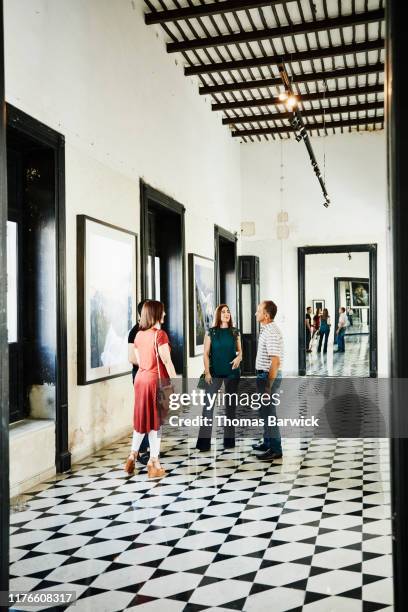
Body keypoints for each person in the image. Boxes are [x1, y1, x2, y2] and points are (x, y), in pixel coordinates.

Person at [124, 300, 177, 478]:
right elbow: (167, 361)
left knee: (142, 420)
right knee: (156, 423)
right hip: (156, 382)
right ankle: (153, 463)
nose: (165, 314)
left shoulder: (139, 335)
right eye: (162, 311)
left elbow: (139, 361)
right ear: (155, 314)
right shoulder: (159, 335)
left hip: (141, 379)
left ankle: (132, 455)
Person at [196, 304, 242, 451]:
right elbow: (205, 353)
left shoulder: (235, 332)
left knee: (230, 408)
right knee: (208, 407)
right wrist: (207, 372)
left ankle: (229, 442)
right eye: (223, 312)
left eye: (228, 311)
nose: (226, 314)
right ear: (218, 315)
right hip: (214, 373)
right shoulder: (211, 332)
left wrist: (239, 358)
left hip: (232, 373)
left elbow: (240, 351)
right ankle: (203, 443)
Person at [252, 300, 284, 462]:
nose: (255, 313)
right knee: (265, 412)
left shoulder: (271, 332)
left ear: (266, 315)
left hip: (267, 377)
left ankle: (276, 449)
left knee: (269, 414)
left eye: (258, 311)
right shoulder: (266, 329)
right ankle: (267, 443)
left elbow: (275, 362)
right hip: (263, 376)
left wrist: (268, 387)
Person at [128, 300, 149, 465]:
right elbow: (132, 358)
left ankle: (148, 449)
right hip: (141, 374)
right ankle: (141, 451)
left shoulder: (153, 330)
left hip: (152, 374)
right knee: (143, 412)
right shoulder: (135, 331)